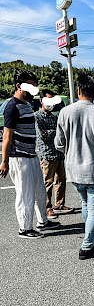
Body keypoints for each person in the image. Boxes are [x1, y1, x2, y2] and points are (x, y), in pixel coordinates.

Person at [55, 72, 94, 260]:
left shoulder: (65, 112)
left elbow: (59, 143)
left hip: (74, 170)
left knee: (85, 204)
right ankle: (87, 247)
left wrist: (71, 151)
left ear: (79, 90)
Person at [0, 69, 60, 238]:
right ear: (19, 86)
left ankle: (43, 221)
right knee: (25, 193)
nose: (34, 90)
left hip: (31, 155)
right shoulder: (11, 107)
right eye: (30, 87)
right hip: (19, 157)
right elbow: (7, 136)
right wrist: (4, 161)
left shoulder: (26, 104)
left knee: (39, 190)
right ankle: (25, 228)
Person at [35, 89, 73, 218]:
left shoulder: (55, 117)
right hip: (46, 154)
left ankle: (60, 204)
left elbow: (62, 134)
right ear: (41, 101)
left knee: (61, 180)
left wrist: (52, 132)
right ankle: (47, 207)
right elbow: (42, 136)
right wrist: (55, 132)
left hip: (59, 153)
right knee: (47, 182)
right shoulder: (37, 117)